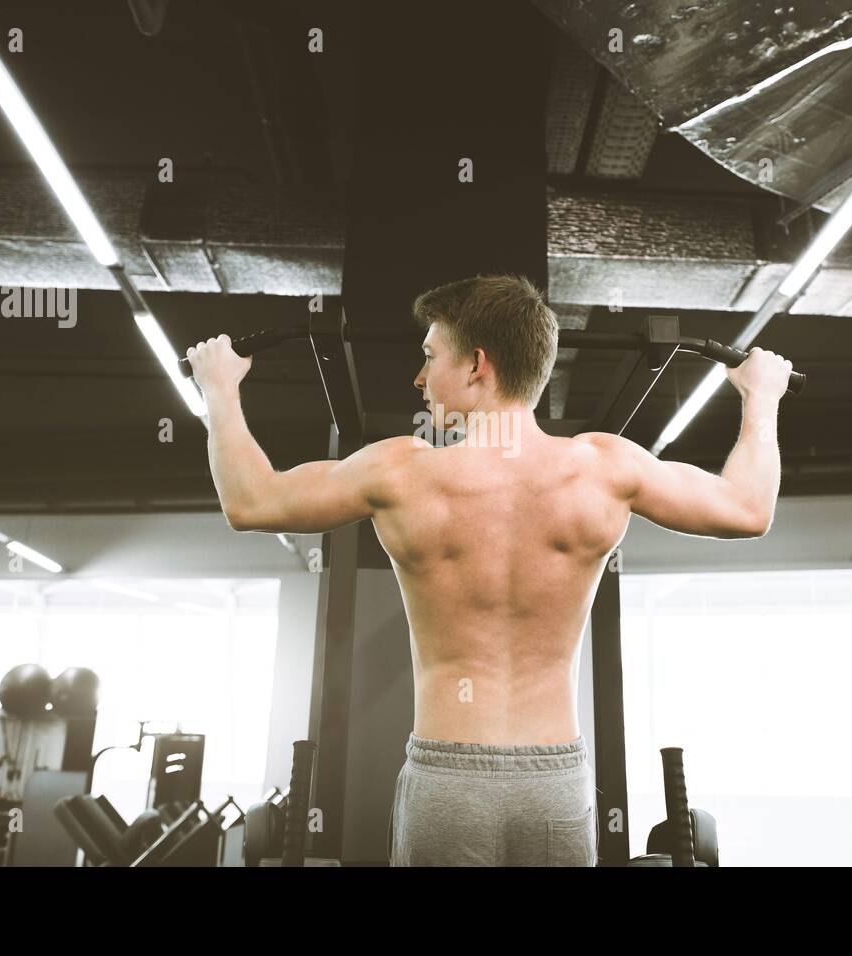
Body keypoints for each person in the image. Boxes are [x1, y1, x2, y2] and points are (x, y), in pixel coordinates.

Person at [185, 274, 792, 866]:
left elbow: (252, 502)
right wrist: (760, 399)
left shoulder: (402, 472)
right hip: (553, 780)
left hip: (447, 784)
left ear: (477, 365)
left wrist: (220, 390)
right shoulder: (605, 467)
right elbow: (747, 510)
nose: (420, 377)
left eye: (430, 357)